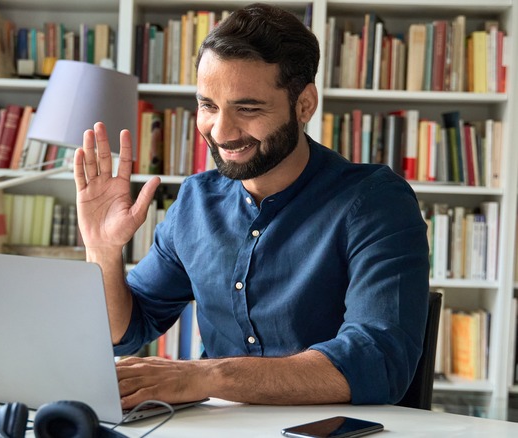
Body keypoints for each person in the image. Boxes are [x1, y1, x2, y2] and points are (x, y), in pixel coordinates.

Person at [72, 3, 429, 409]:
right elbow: (128, 331)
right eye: (208, 106)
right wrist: (102, 250)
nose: (221, 132)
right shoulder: (195, 201)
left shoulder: (376, 202)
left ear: (305, 104)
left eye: (248, 108)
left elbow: (378, 361)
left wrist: (205, 376)